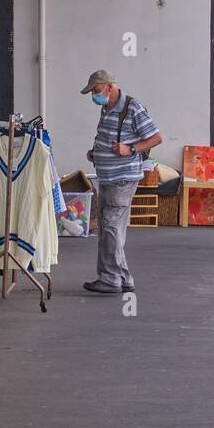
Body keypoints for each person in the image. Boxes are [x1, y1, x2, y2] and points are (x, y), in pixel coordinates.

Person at [81, 70, 162, 295]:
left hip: (123, 178)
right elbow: (107, 138)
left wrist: (131, 149)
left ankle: (110, 279)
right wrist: (96, 152)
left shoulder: (133, 108)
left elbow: (156, 137)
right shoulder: (106, 108)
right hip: (107, 176)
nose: (93, 96)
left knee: (110, 227)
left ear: (108, 86)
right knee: (111, 229)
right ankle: (123, 278)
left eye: (95, 91)